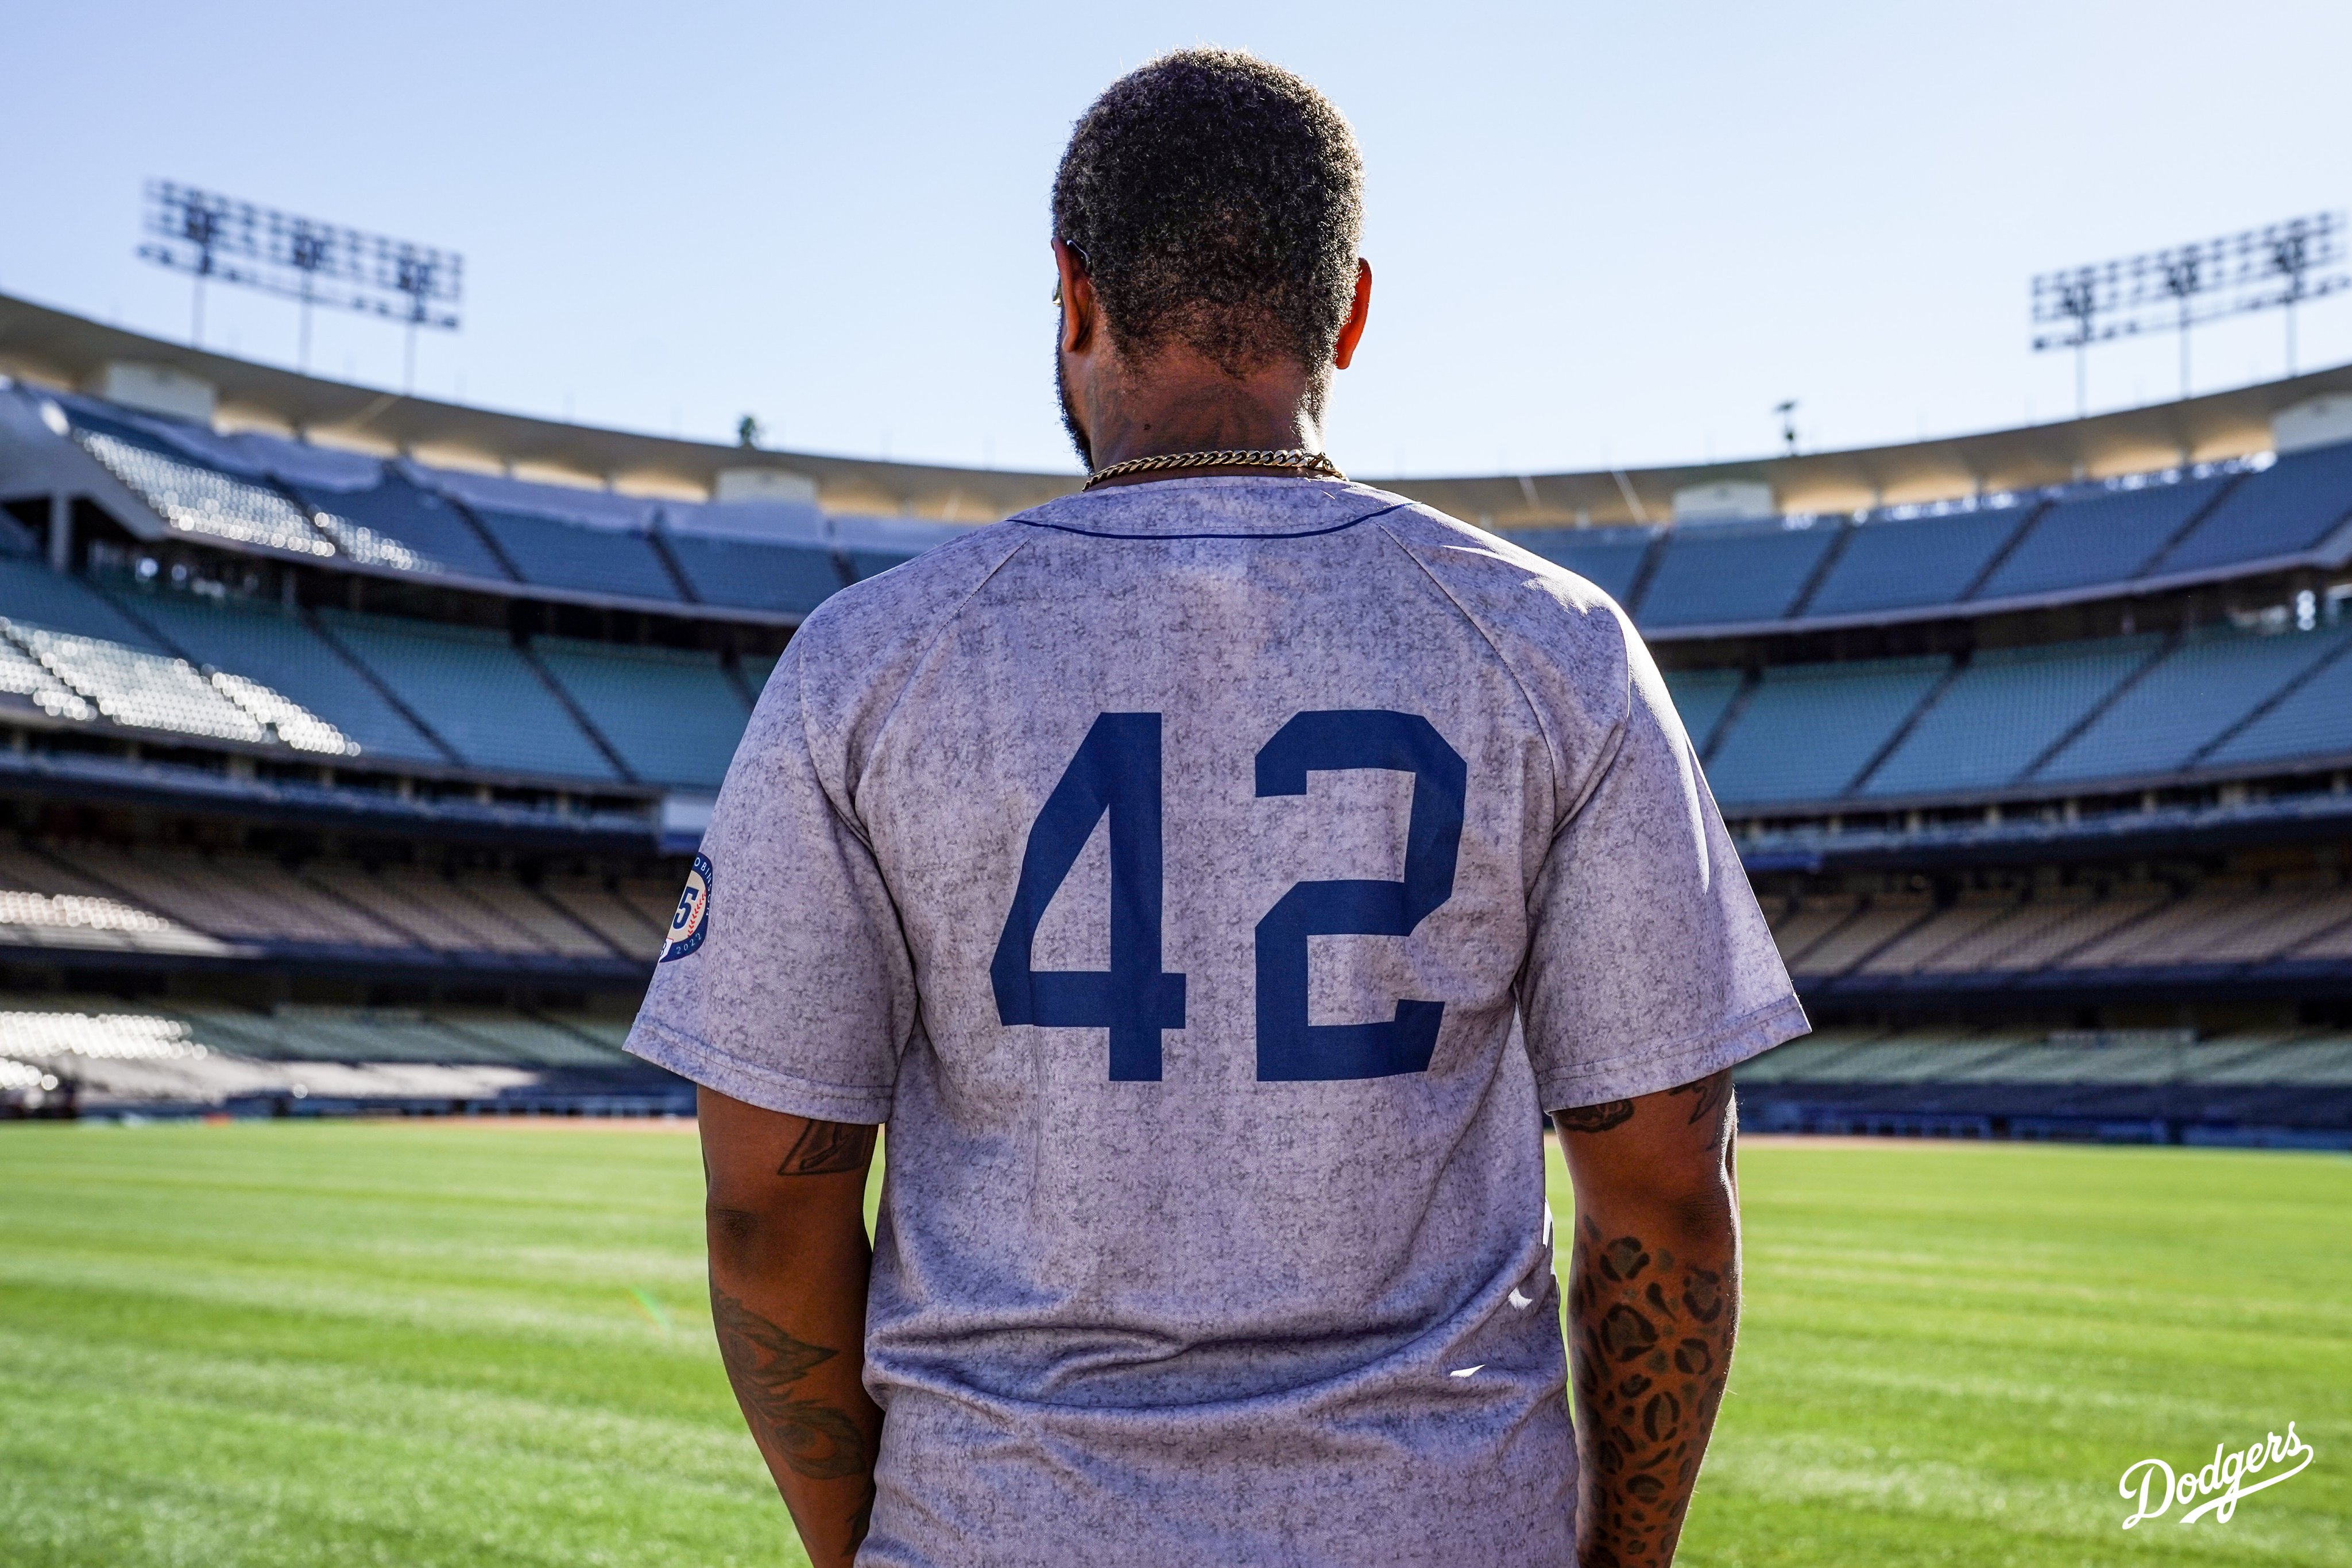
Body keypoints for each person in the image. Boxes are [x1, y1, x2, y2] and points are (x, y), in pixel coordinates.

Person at [629, 47, 1805, 1568]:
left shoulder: (866, 665)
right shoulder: (1559, 649)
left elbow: (761, 1218)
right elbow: (1665, 1196)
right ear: (1353, 311)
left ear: (1071, 294)